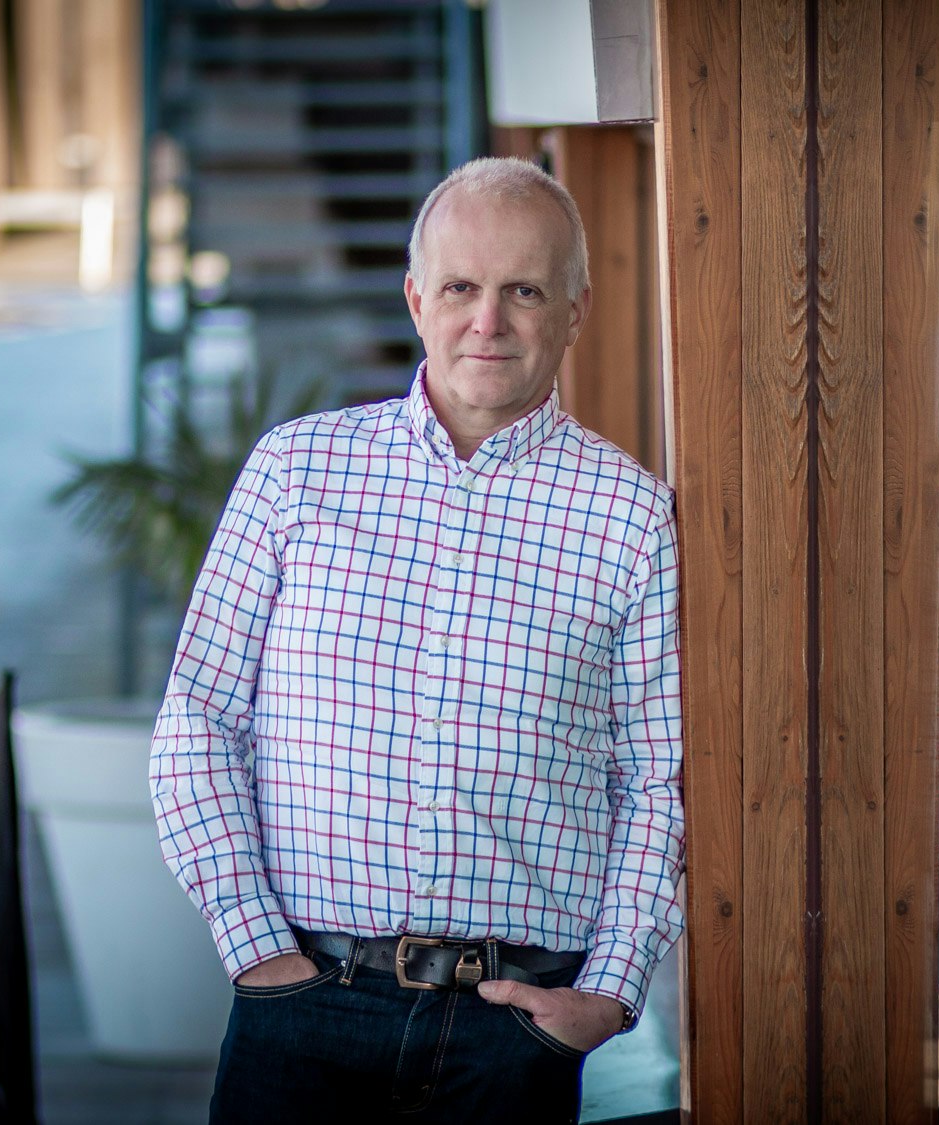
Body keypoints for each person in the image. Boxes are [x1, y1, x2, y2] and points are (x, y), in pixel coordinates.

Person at [150, 156, 684, 1123]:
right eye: (461, 287)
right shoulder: (295, 473)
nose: (489, 321)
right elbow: (198, 719)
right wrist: (256, 948)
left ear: (577, 307)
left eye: (525, 289)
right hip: (302, 1003)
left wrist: (607, 991)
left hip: (512, 1031)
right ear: (415, 298)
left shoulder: (634, 518)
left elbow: (658, 780)